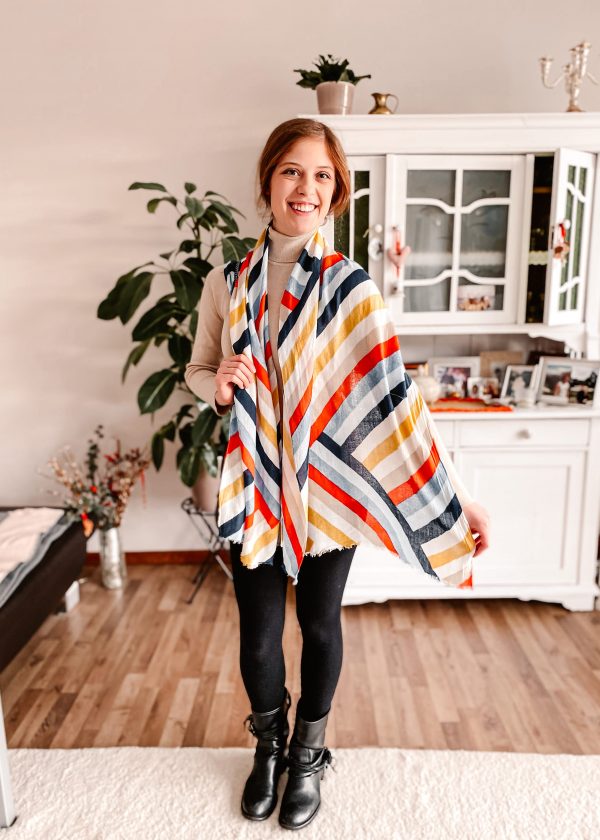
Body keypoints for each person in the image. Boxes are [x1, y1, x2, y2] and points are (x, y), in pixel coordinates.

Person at [185, 118, 491, 831]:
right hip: (255, 482)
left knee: (319, 624)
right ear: (267, 182)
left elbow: (398, 399)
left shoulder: (352, 288)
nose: (307, 187)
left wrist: (461, 497)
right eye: (293, 171)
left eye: (322, 176)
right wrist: (219, 385)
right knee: (257, 634)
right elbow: (200, 370)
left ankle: (308, 755)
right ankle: (268, 747)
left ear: (337, 193)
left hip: (328, 489)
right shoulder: (227, 281)